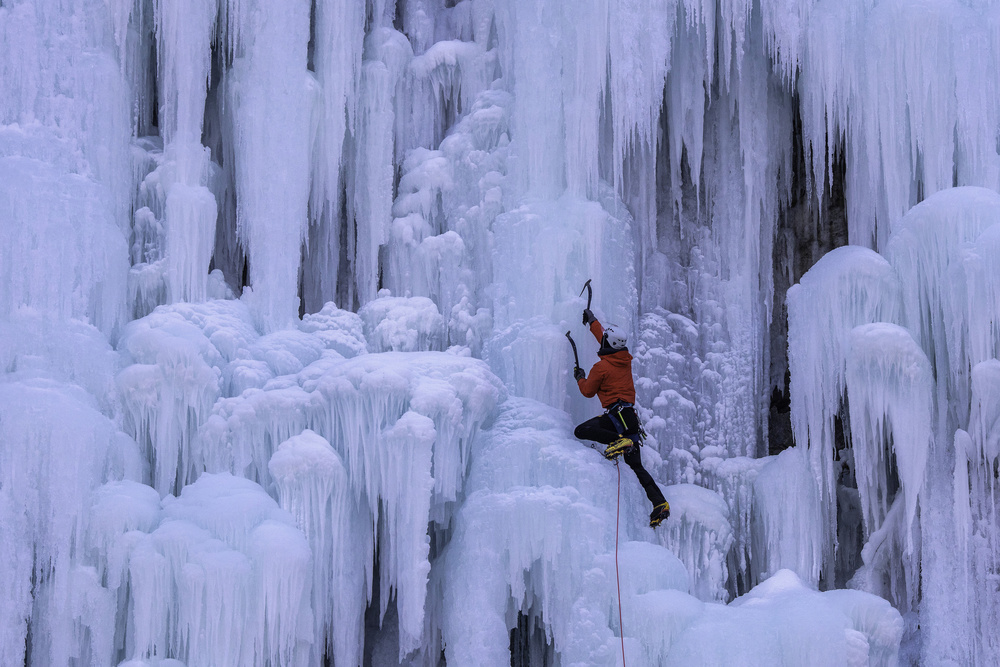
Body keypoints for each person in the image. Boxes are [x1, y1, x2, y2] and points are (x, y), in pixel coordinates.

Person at [574, 308, 670, 527]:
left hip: (616, 418)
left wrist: (580, 378)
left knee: (581, 430)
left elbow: (588, 391)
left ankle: (617, 441)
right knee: (636, 466)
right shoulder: (624, 359)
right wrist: (592, 322)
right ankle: (660, 504)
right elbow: (605, 339)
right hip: (630, 420)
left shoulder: (601, 368)